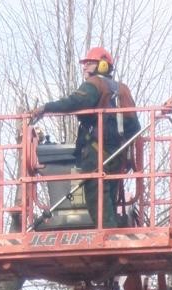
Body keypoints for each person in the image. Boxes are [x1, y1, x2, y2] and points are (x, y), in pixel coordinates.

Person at [31, 47, 141, 228]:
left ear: (102, 65)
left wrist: (46, 107)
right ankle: (112, 229)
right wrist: (124, 148)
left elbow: (75, 102)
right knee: (109, 196)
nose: (84, 67)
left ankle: (108, 234)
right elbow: (134, 126)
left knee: (95, 194)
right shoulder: (123, 90)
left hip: (97, 151)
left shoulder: (94, 84)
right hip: (118, 154)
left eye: (89, 63)